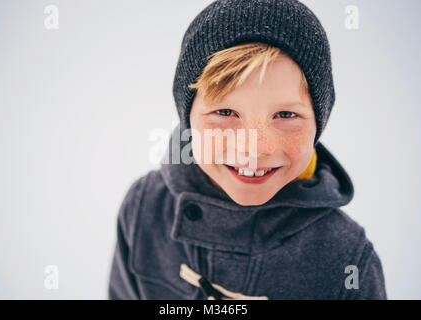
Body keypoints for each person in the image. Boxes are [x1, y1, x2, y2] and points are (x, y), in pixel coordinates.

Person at [108, 0, 387, 299]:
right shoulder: (144, 209)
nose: (253, 150)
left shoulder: (347, 258)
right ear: (188, 119)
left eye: (285, 115)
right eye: (226, 113)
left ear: (317, 126)